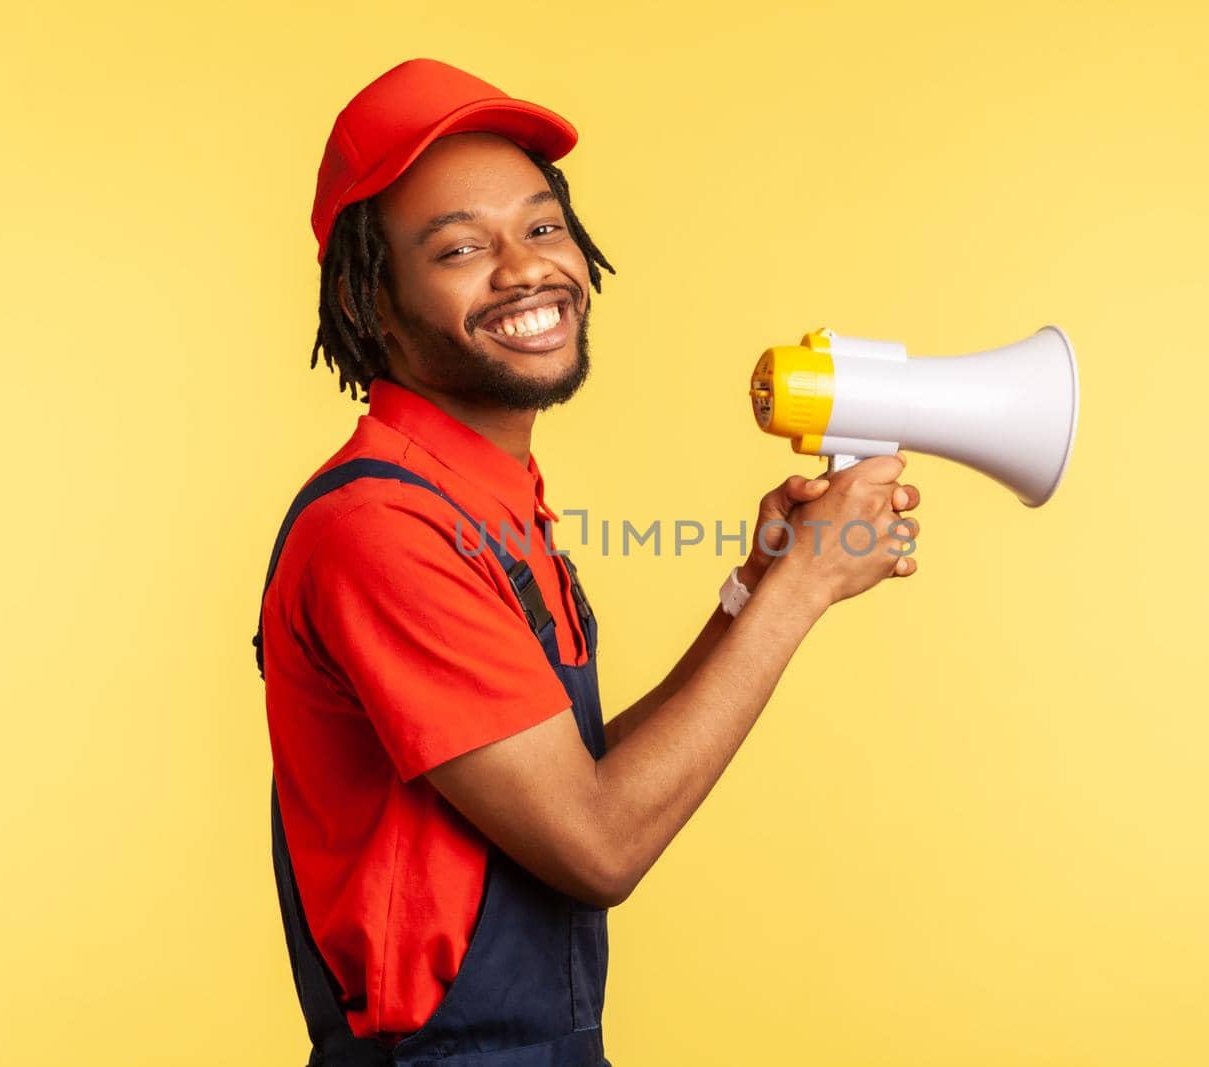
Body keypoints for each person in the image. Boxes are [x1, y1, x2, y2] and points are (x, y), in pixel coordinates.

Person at [254, 58, 921, 1067]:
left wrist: (752, 591)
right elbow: (596, 842)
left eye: (541, 225)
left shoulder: (482, 498)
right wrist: (808, 584)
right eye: (460, 248)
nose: (524, 270)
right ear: (368, 302)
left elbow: (576, 776)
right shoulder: (382, 528)